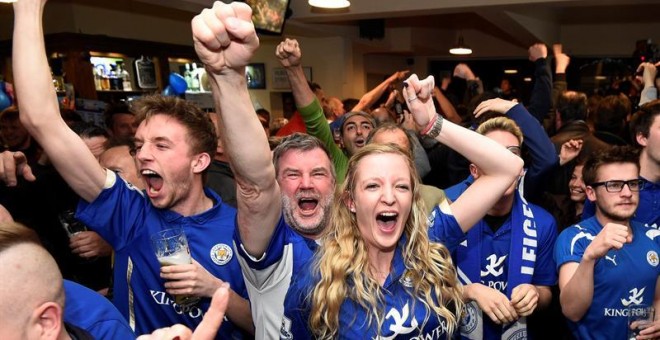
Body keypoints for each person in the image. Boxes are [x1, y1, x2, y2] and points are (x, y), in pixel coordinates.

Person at [190, 4, 522, 338]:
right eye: (373, 186)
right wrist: (229, 78)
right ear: (349, 200)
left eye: (402, 187)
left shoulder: (426, 241)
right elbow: (256, 185)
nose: (389, 197)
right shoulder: (318, 274)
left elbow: (507, 168)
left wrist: (433, 125)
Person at [11, 0, 252, 336]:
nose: (143, 156)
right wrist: (27, 9)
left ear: (200, 161)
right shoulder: (131, 212)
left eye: (162, 145)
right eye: (139, 146)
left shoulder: (242, 226)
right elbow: (41, 121)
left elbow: (268, 325)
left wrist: (213, 288)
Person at [445, 116, 557, 339]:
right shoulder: (448, 216)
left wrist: (535, 293)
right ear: (474, 170)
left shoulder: (542, 223)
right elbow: (422, 292)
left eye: (511, 154)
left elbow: (546, 291)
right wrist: (468, 292)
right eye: (493, 154)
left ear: (521, 168)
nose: (503, 162)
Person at [554, 146, 660, 339]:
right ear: (591, 193)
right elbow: (571, 311)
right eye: (614, 185)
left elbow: (657, 298)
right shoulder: (575, 238)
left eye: (633, 183)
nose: (627, 192)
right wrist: (589, 257)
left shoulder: (654, 236)